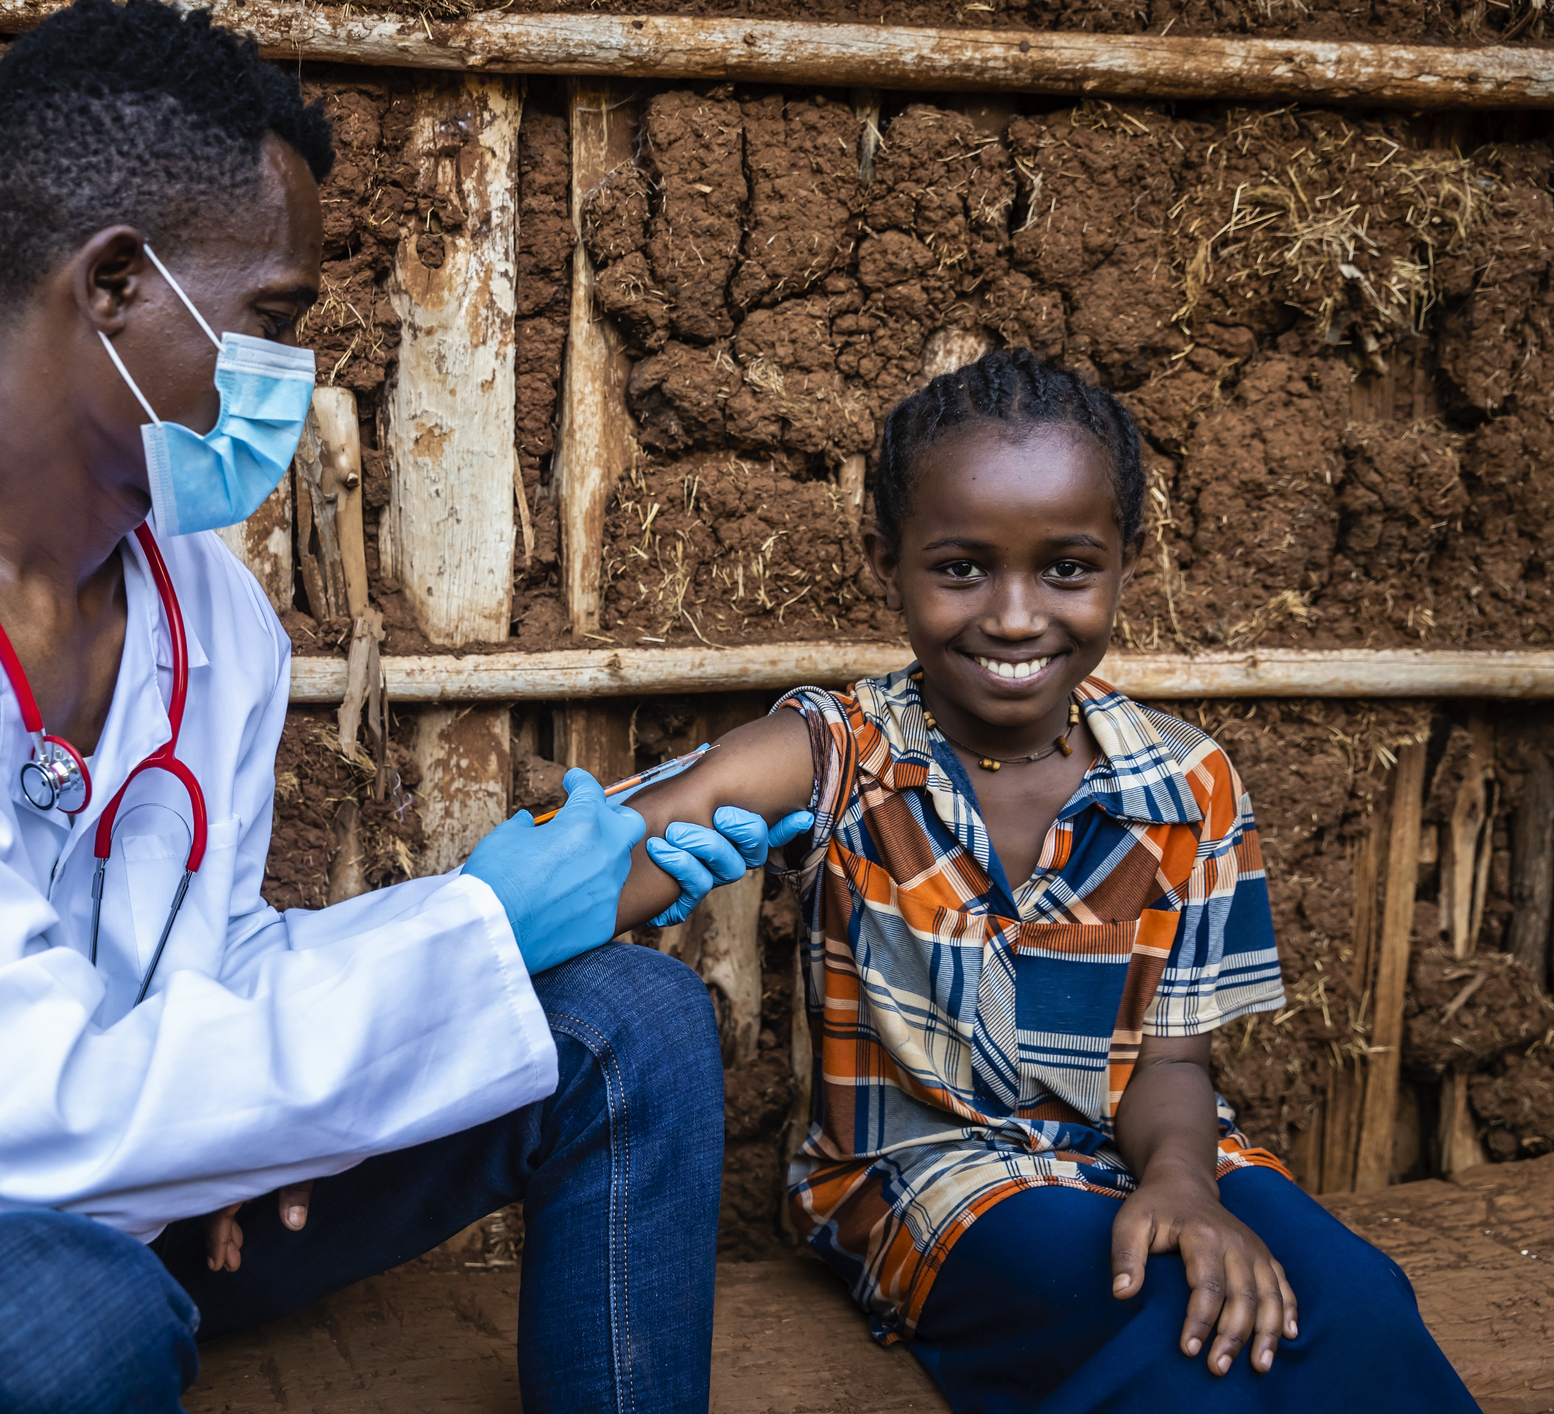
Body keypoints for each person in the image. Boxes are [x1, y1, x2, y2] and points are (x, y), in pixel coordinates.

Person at [0, 5, 807, 1411]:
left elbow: (206, 964)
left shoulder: (207, 613)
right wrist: (465, 935)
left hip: (138, 1154)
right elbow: (6, 1116)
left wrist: (234, 1137)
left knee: (626, 1019)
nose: (294, 377)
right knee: (60, 1328)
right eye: (273, 319)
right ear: (114, 281)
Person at [603, 348, 1478, 1412]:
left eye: (1066, 568)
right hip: (924, 1171)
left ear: (1126, 559)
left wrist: (1184, 1181)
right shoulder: (843, 754)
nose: (1016, 617)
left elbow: (1173, 1060)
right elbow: (613, 858)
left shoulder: (1184, 783)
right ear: (886, 557)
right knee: (1162, 1330)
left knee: (1357, 1306)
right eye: (962, 568)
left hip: (1140, 1146)